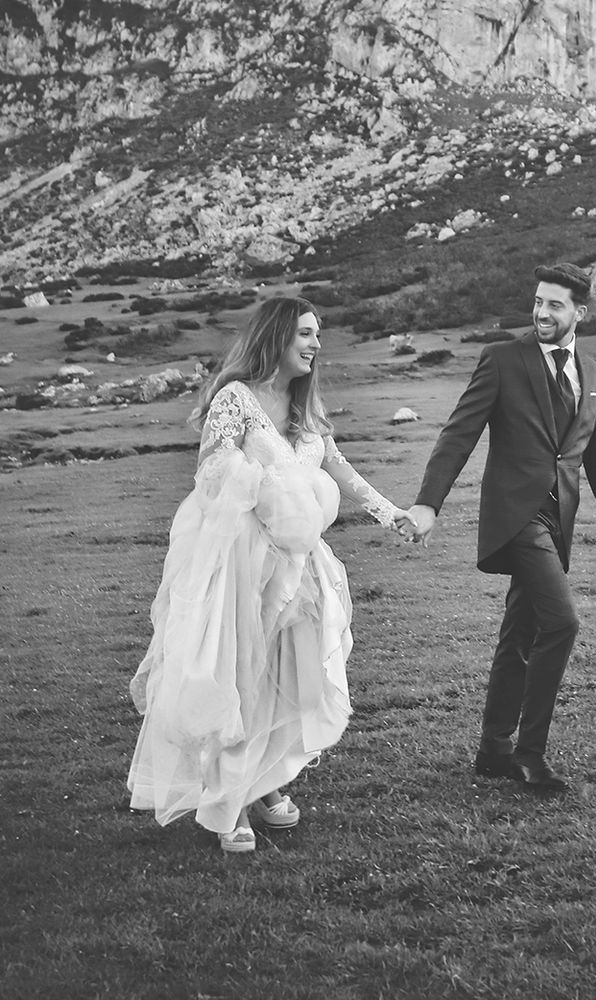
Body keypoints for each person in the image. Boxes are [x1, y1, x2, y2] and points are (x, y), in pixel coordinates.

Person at [127, 296, 416, 853]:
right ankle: (225, 802)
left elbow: (337, 467)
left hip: (301, 564)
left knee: (290, 673)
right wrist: (270, 486)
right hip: (245, 563)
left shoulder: (307, 405)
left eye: (318, 334)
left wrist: (389, 512)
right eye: (306, 333)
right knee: (244, 674)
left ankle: (265, 784)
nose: (315, 344)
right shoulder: (235, 399)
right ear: (277, 337)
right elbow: (210, 472)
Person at [406, 262, 596, 792]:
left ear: (579, 312)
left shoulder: (595, 373)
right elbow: (457, 435)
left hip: (559, 521)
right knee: (562, 623)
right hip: (517, 517)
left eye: (554, 305)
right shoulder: (502, 360)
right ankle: (529, 754)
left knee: (521, 634)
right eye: (537, 302)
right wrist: (428, 505)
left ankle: (492, 750)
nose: (541, 312)